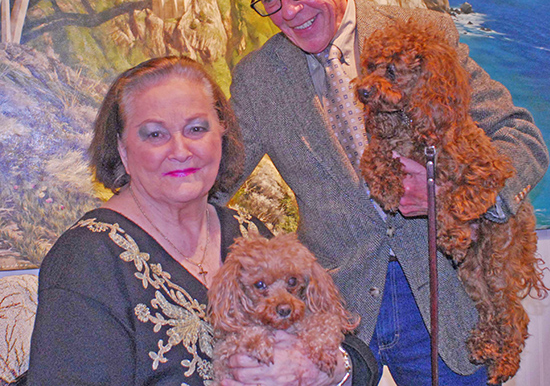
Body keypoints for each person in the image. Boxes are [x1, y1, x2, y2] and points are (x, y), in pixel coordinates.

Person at [225, 0, 549, 385]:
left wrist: (463, 202)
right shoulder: (256, 80)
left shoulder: (428, 35)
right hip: (337, 316)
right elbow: (215, 179)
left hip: (447, 305)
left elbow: (521, 136)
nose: (289, 10)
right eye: (269, 0)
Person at [27, 56, 375, 386]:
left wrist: (324, 371)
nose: (180, 150)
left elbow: (357, 355)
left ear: (221, 135)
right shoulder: (87, 259)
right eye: (155, 134)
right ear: (121, 149)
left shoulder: (249, 231)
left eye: (196, 128)